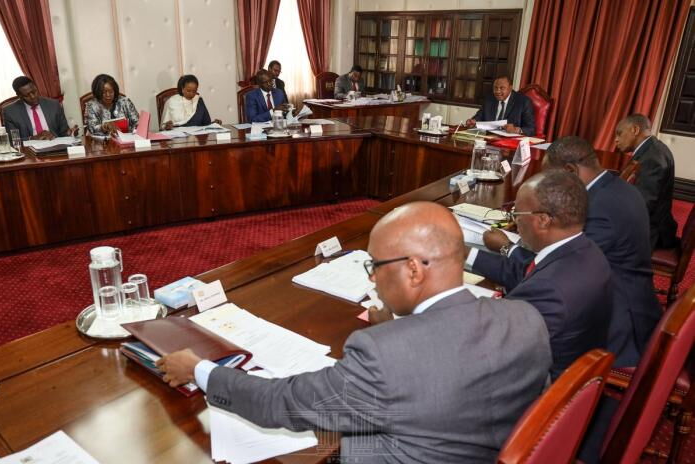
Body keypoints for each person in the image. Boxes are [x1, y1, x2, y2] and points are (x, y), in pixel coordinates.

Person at [157, 201, 552, 463]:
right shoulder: (526, 319)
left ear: (414, 269)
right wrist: (400, 331)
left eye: (375, 266)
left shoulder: (384, 356)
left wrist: (198, 370)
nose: (374, 281)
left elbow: (281, 402)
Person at [484, 136, 660, 367]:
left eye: (551, 178)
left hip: (616, 319)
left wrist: (509, 247)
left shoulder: (599, 210)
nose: (549, 185)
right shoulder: (616, 188)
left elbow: (560, 266)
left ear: (570, 170)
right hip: (625, 293)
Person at [468, 170, 612, 380]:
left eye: (517, 214)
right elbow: (526, 272)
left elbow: (491, 344)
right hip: (573, 369)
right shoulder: (587, 251)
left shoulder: (550, 289)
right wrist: (463, 254)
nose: (515, 222)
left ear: (543, 220)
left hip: (542, 392)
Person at [614, 114, 678, 249]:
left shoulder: (652, 158)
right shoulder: (652, 149)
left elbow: (642, 205)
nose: (616, 140)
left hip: (650, 232)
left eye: (619, 134)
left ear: (635, 130)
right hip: (651, 222)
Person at [3, 76, 78, 140]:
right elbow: (13, 140)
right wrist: (33, 138)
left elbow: (64, 132)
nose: (33, 96)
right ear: (19, 96)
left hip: (55, 148)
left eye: (34, 91)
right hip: (29, 153)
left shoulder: (53, 105)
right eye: (27, 95)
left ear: (36, 87)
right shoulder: (10, 112)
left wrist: (70, 133)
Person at [465, 76, 536, 136]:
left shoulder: (523, 102)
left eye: (502, 88)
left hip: (509, 144)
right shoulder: (489, 99)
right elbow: (479, 116)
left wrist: (516, 130)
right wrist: (473, 122)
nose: (497, 91)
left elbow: (531, 129)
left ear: (510, 88)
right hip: (489, 139)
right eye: (495, 88)